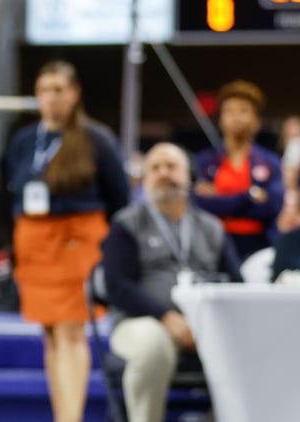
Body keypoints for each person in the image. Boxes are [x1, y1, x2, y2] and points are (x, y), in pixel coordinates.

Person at [4, 60, 129, 422]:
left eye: (58, 90)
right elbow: (10, 186)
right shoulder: (25, 140)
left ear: (74, 94)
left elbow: (118, 198)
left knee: (73, 331)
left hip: (78, 242)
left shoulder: (97, 139)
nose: (50, 98)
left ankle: (71, 418)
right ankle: (62, 413)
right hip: (34, 241)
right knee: (50, 333)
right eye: (43, 90)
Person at [102, 143, 240, 422]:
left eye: (172, 166)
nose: (164, 173)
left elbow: (237, 282)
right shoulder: (127, 223)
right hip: (142, 321)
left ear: (189, 175)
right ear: (144, 179)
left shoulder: (211, 227)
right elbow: (117, 286)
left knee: (251, 344)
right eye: (155, 167)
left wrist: (206, 320)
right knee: (153, 348)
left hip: (207, 325)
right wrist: (167, 317)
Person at [193, 80, 284, 260]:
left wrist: (221, 200)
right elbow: (200, 205)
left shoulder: (269, 162)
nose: (236, 117)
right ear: (220, 120)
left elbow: (271, 206)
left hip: (257, 246)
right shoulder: (205, 161)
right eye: (230, 111)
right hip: (212, 244)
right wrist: (249, 196)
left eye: (244, 111)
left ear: (257, 121)